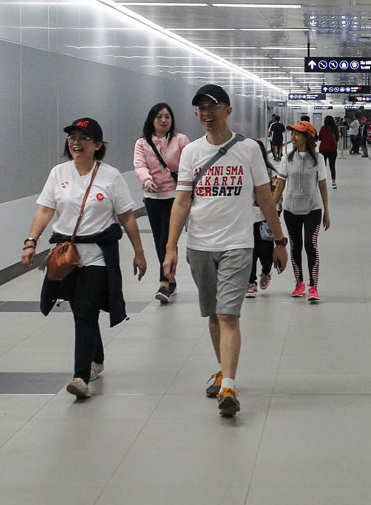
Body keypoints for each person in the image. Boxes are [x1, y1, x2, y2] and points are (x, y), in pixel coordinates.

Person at [163, 84, 288, 417]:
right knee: (214, 316)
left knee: (229, 315)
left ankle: (229, 385)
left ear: (227, 111)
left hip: (237, 244)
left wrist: (279, 240)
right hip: (201, 246)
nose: (205, 113)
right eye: (200, 108)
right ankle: (223, 368)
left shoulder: (248, 150)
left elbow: (265, 197)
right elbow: (182, 201)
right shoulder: (191, 153)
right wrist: (171, 247)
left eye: (212, 107)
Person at [21, 117, 147, 399]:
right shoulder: (58, 173)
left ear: (98, 145)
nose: (76, 142)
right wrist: (31, 241)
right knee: (82, 310)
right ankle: (97, 358)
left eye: (84, 138)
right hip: (66, 257)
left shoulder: (110, 176)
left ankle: (80, 376)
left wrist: (139, 252)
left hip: (98, 257)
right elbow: (45, 210)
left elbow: (126, 216)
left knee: (85, 312)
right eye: (72, 137)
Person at [133, 102, 190, 303]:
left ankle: (164, 283)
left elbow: (188, 165)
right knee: (159, 241)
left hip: (175, 197)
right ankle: (170, 277)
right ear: (152, 119)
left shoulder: (181, 140)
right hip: (152, 198)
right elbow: (139, 165)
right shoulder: (142, 143)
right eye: (159, 117)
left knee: (167, 239)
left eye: (167, 116)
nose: (164, 120)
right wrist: (146, 181)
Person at [273, 121, 330, 302]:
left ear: (306, 137)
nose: (293, 137)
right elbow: (280, 184)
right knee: (296, 246)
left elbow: (322, 184)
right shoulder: (286, 159)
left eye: (297, 134)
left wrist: (326, 211)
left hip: (313, 208)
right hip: (291, 209)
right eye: (292, 134)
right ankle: (299, 283)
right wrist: (271, 208)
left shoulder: (318, 159)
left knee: (310, 245)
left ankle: (313, 286)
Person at [246, 140, 280, 298]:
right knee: (250, 252)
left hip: (265, 219)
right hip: (247, 218)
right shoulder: (243, 172)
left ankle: (266, 271)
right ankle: (250, 282)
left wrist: (274, 216)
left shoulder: (271, 173)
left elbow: (276, 199)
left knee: (266, 251)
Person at [318, 114, 339, 189]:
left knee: (322, 167)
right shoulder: (335, 128)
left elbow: (320, 138)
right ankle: (333, 182)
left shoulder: (323, 128)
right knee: (332, 166)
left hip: (323, 149)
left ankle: (321, 182)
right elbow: (337, 138)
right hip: (333, 150)